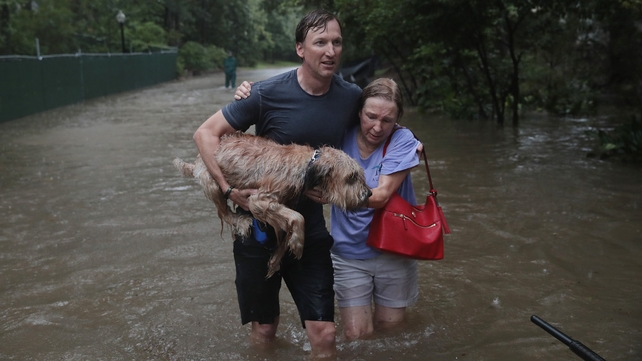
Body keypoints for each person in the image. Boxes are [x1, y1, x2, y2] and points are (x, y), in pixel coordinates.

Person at [192, 9, 362, 359]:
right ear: (301, 48)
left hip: (310, 229)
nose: (330, 50)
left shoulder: (349, 97)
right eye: (320, 43)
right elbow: (205, 133)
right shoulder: (265, 94)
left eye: (336, 42)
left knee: (325, 336)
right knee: (265, 330)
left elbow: (380, 121)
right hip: (260, 227)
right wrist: (228, 190)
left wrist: (410, 141)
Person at [330, 78, 420, 340]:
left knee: (392, 335)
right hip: (348, 253)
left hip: (394, 250)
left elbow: (380, 196)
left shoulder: (403, 140)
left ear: (398, 120)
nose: (377, 127)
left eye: (387, 120)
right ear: (359, 112)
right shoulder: (339, 133)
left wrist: (333, 194)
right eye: (370, 117)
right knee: (357, 336)